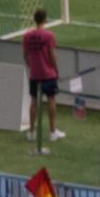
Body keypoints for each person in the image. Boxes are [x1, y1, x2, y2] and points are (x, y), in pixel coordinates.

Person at [22, 8, 64, 150]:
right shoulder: (48, 35)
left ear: (34, 19)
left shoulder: (27, 36)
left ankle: (32, 132)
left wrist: (31, 67)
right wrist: (56, 70)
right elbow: (52, 55)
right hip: (48, 74)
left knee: (34, 101)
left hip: (34, 74)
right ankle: (52, 132)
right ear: (45, 20)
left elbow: (25, 55)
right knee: (51, 99)